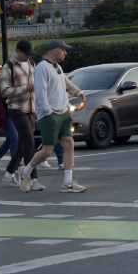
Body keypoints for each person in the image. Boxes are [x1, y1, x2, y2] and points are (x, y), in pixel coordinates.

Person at [23, 39, 86, 193]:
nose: (65, 53)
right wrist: (47, 112)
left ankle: (68, 182)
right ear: (55, 50)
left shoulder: (57, 67)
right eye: (63, 50)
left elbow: (66, 83)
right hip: (50, 114)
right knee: (47, 150)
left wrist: (78, 91)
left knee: (69, 143)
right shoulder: (42, 68)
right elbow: (41, 93)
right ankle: (25, 172)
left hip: (63, 112)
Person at [0, 39, 37, 186]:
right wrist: (24, 88)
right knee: (29, 142)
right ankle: (32, 178)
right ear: (18, 51)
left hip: (31, 108)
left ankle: (9, 172)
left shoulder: (32, 64)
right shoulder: (8, 67)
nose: (28, 57)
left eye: (30, 54)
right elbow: (4, 91)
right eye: (26, 54)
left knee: (24, 143)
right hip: (16, 108)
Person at [0, 64, 18, 174]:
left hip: (16, 111)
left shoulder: (16, 80)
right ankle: (15, 162)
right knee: (14, 137)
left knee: (11, 139)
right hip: (6, 113)